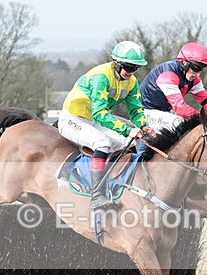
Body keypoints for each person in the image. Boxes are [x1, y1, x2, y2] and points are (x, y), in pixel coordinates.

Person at [58, 40, 155, 210]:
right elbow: (100, 113)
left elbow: (135, 110)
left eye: (135, 68)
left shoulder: (132, 82)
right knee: (102, 142)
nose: (130, 72)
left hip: (93, 121)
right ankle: (97, 195)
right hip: (72, 119)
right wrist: (127, 130)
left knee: (129, 144)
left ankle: (117, 184)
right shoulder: (100, 77)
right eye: (127, 67)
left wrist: (143, 126)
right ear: (116, 64)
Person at [140, 42, 207, 133]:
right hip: (145, 111)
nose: (198, 74)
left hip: (165, 111)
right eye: (196, 68)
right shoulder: (168, 75)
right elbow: (181, 109)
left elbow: (206, 101)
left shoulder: (194, 79)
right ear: (184, 63)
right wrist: (205, 117)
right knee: (180, 123)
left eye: (201, 69)